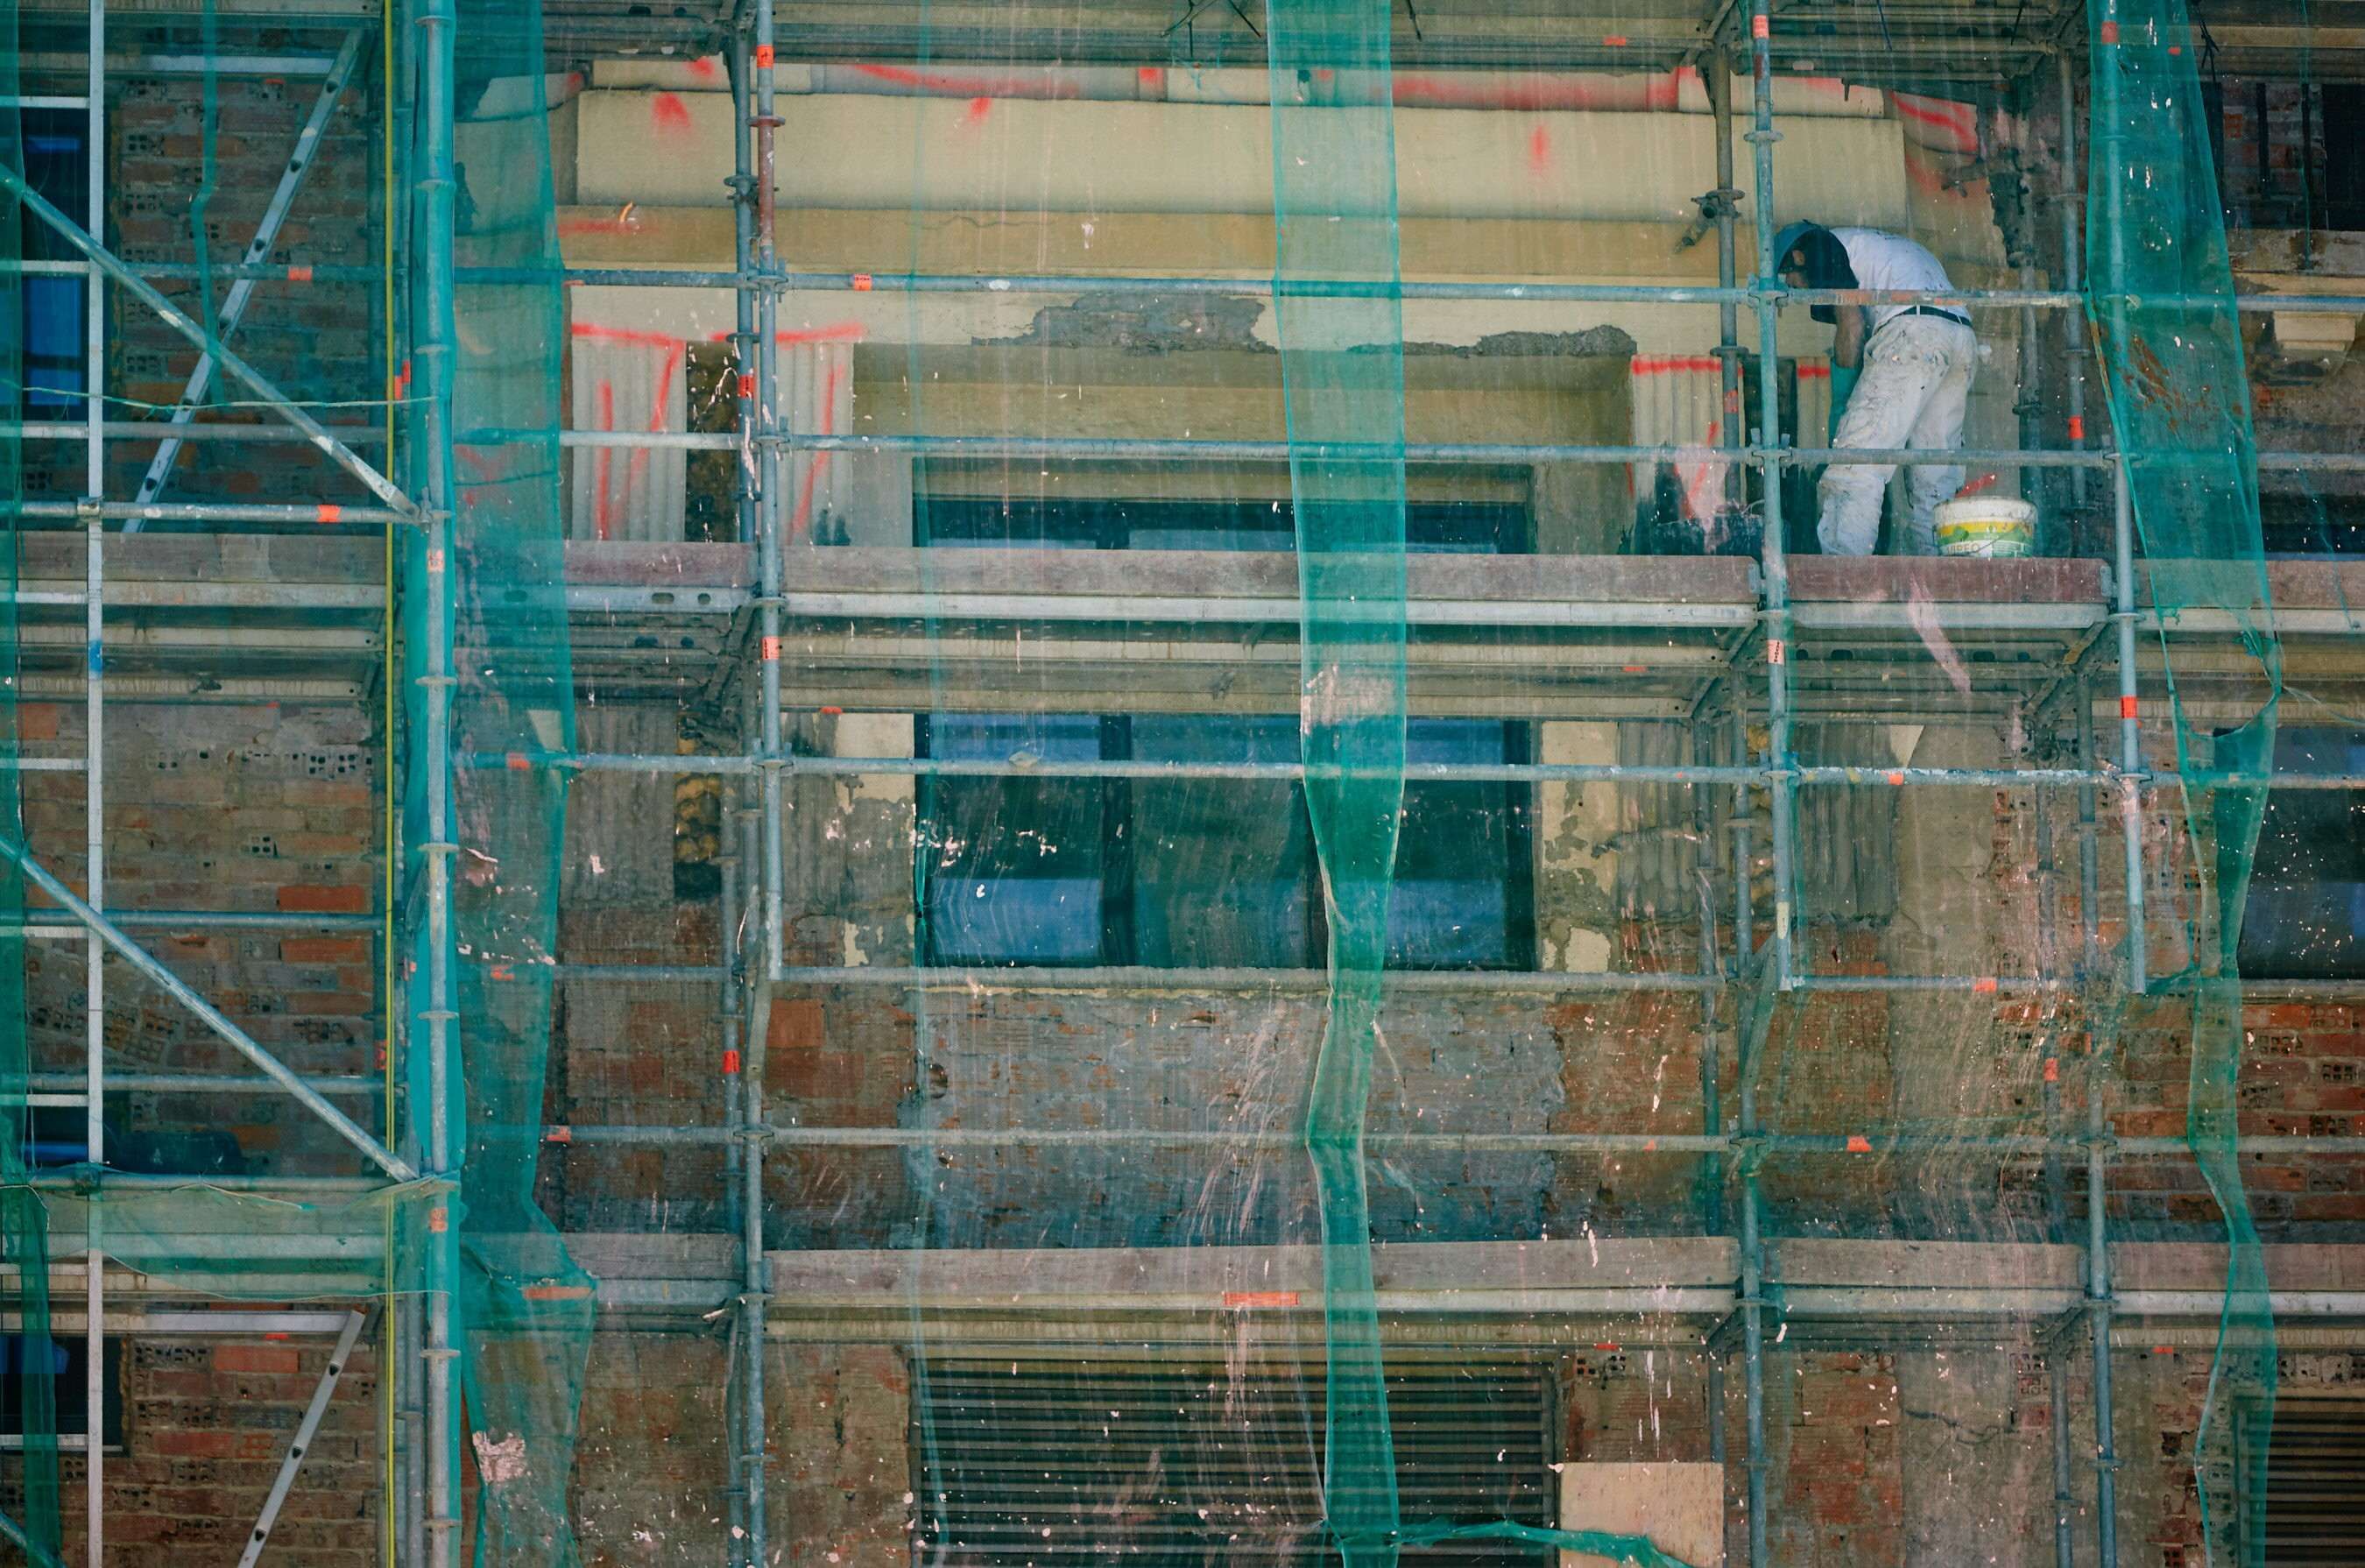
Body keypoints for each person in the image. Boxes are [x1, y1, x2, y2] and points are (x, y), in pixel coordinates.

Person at [1775, 222, 1978, 556]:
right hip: (1960, 335)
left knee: (1856, 462)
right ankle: (1935, 572)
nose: (1793, 289)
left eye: (1790, 279)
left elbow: (1851, 325)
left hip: (1913, 333)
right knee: (1934, 472)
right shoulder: (1874, 249)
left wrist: (1842, 402)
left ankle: (1844, 571)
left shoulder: (1821, 247)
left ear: (1797, 257)